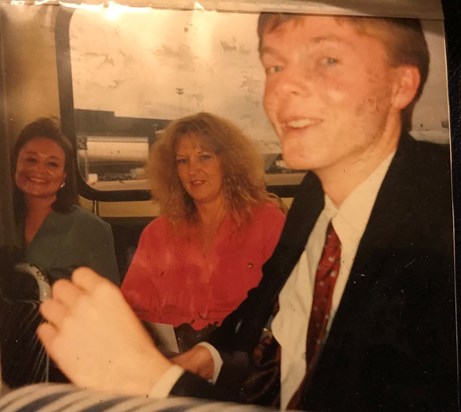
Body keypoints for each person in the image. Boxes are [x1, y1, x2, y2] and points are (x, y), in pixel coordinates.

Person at [37, 12, 458, 412]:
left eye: (327, 60)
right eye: (274, 67)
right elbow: (264, 302)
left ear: (400, 85)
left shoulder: (440, 223)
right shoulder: (315, 194)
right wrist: (208, 354)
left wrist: (156, 382)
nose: (283, 88)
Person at [121, 112, 285, 351]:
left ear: (229, 162)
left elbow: (285, 309)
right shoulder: (156, 233)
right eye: (182, 161)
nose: (192, 170)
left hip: (241, 357)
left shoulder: (268, 221)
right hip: (170, 359)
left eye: (204, 157)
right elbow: (133, 312)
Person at [12, 117, 120, 285]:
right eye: (31, 159)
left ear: (64, 176)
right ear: (15, 163)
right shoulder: (7, 218)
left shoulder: (90, 227)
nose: (39, 170)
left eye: (52, 164)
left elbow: (107, 302)